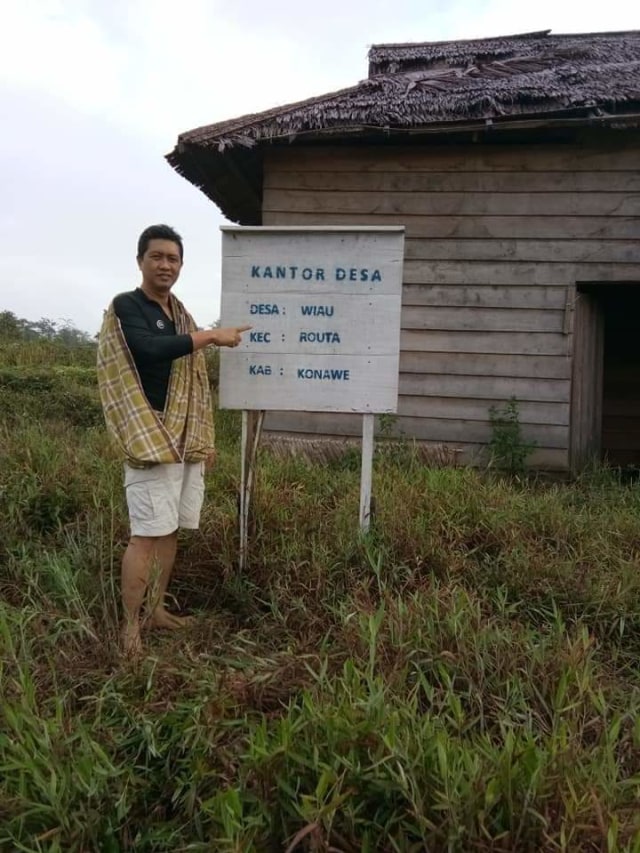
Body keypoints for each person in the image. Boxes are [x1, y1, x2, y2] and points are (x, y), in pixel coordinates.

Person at [97, 224, 250, 655]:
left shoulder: (180, 313)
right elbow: (151, 350)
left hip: (184, 442)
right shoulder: (128, 306)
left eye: (173, 258)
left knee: (170, 533)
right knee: (145, 534)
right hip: (150, 438)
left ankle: (158, 611)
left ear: (181, 265)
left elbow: (194, 384)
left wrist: (203, 440)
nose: (166, 264)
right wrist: (212, 336)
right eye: (157, 256)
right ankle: (130, 628)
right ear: (141, 260)